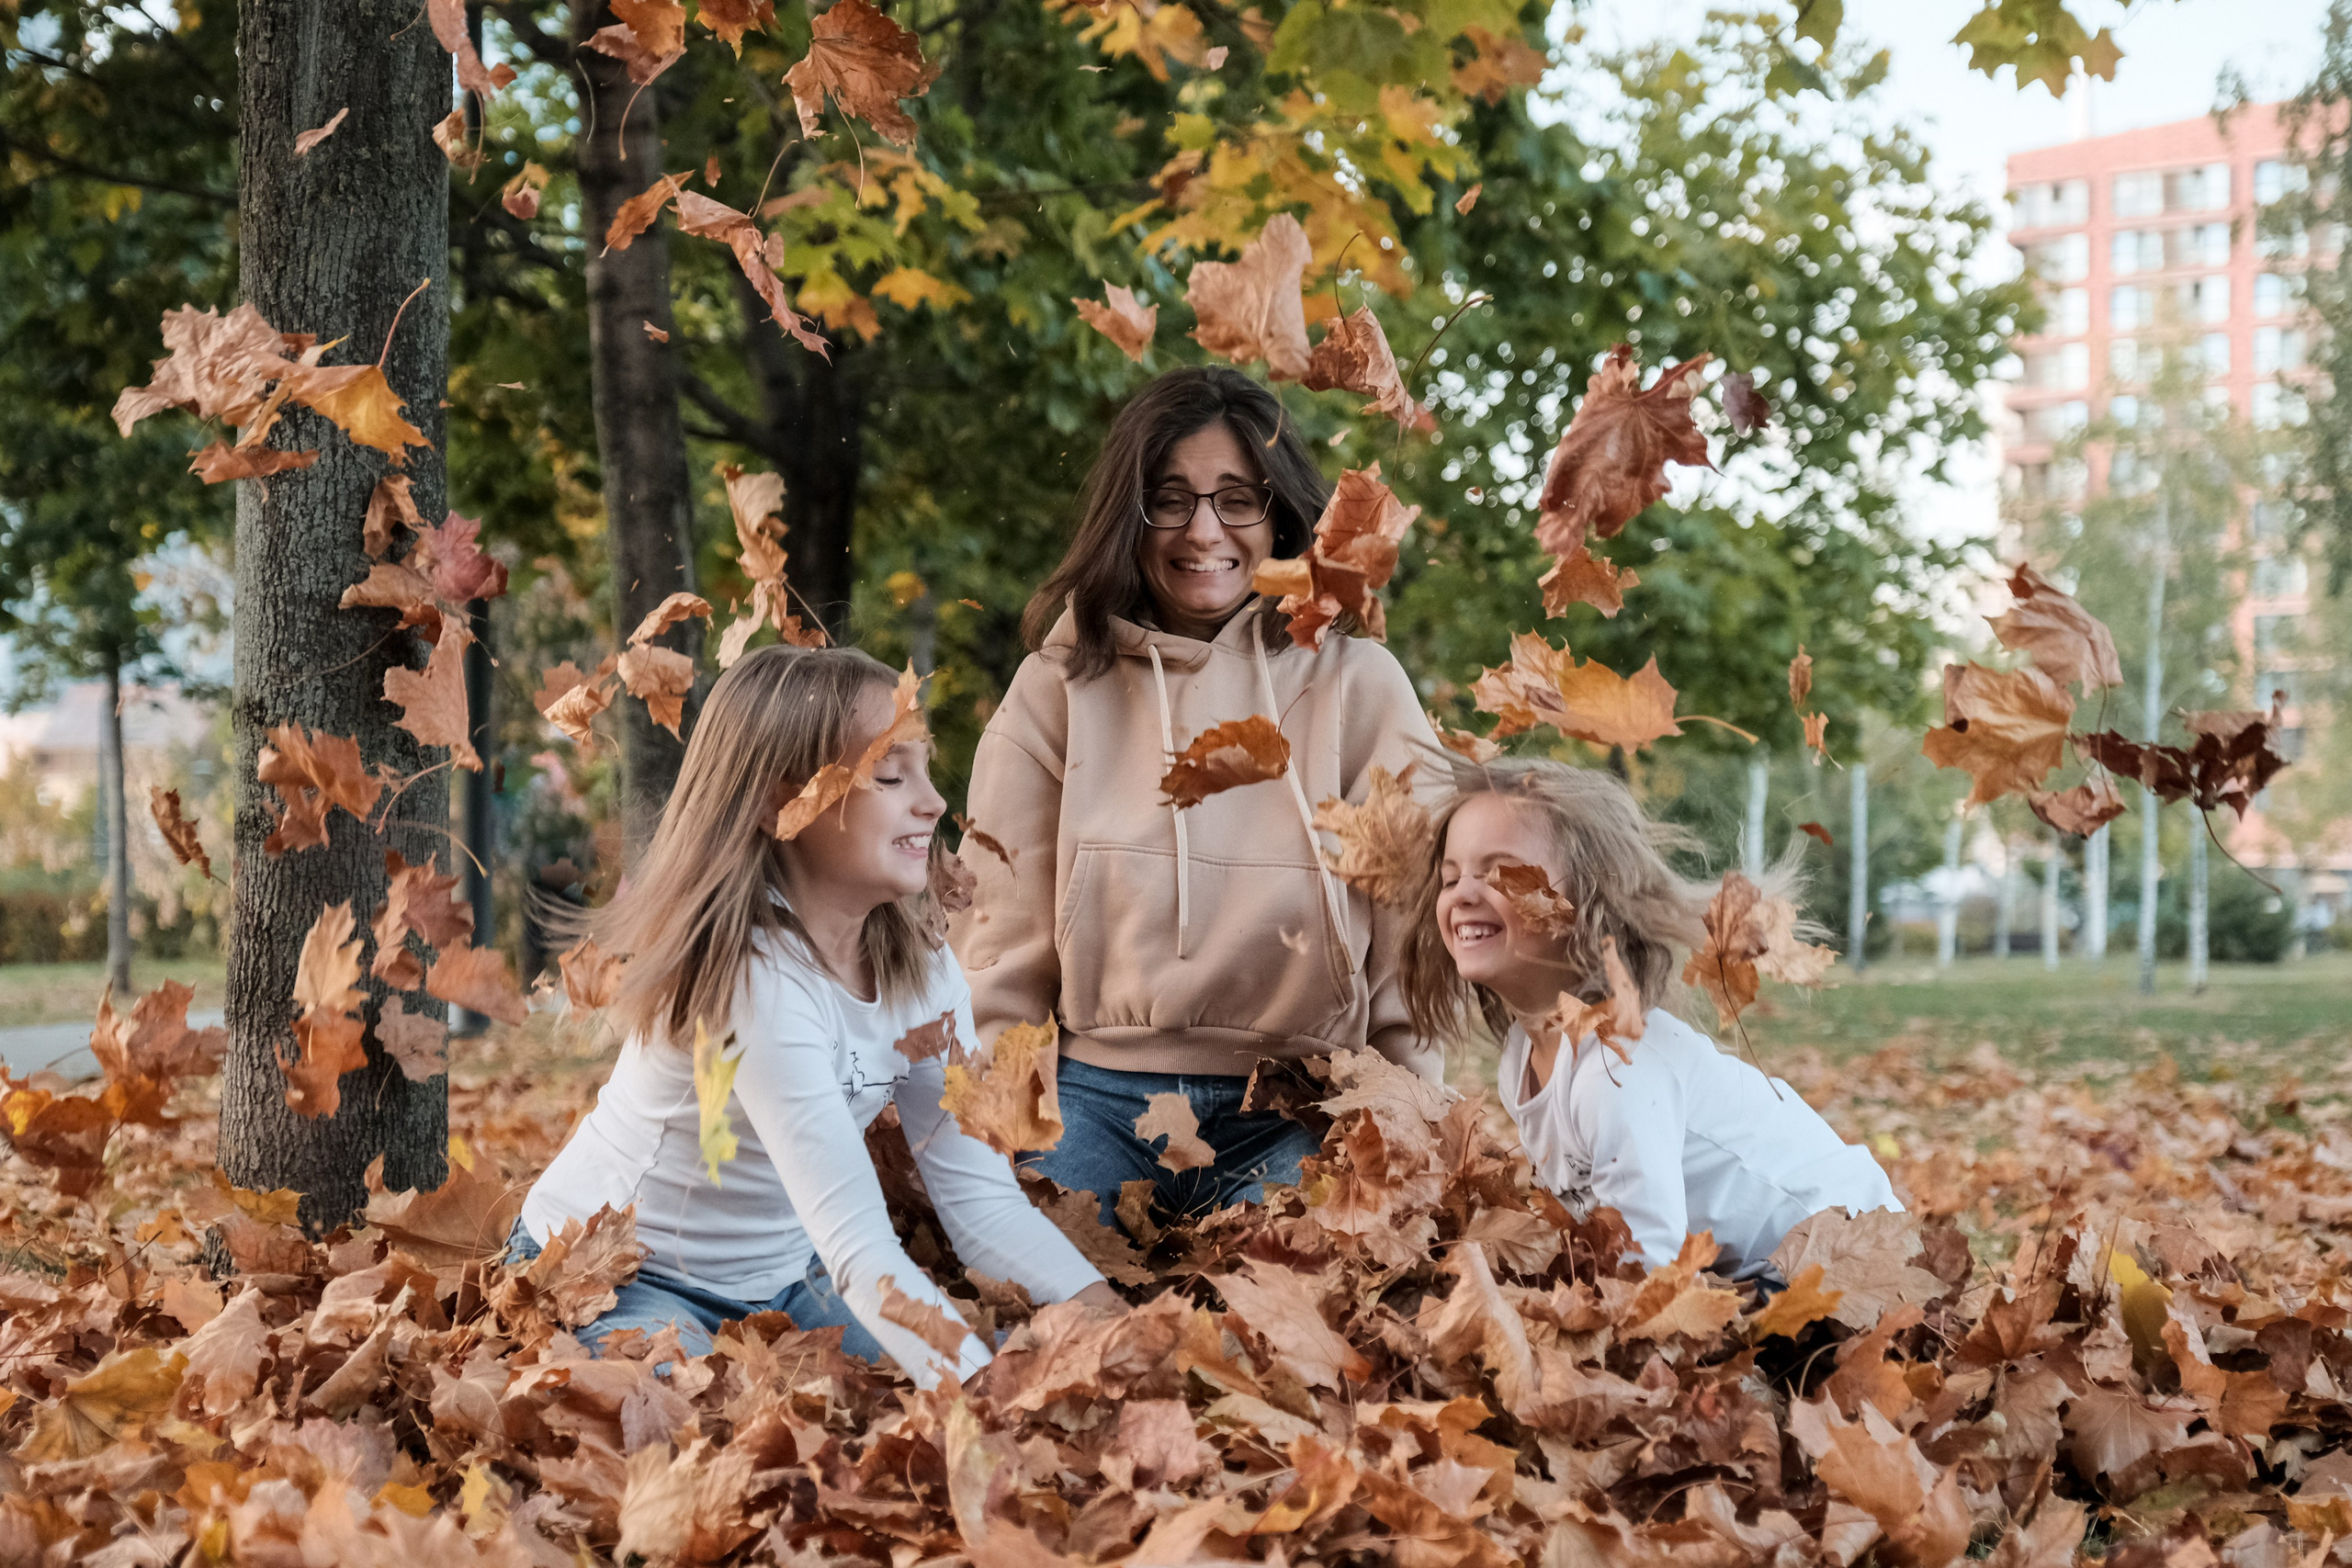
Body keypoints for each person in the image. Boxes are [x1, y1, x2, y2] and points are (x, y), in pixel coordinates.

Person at [514, 644, 1120, 1384]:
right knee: (702, 1420)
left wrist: (1116, 1326)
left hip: (777, 1281)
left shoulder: (923, 968)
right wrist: (986, 1400)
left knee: (893, 1385)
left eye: (926, 770)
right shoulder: (752, 978)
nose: (931, 802)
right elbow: (861, 1247)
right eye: (890, 775)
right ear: (780, 803)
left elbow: (982, 1200)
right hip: (618, 1277)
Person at [954, 366, 1441, 1228]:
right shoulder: (1057, 687)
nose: (1203, 529)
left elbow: (1408, 943)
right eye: (1169, 498)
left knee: (1295, 1335)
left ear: (1280, 511)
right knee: (1053, 1328)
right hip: (1094, 1104)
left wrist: (1410, 1124)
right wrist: (1005, 1137)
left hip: (1301, 1107)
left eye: (1235, 498)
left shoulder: (1362, 685)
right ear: (1128, 515)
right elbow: (998, 943)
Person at [1397, 759, 1901, 1279]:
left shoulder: (1618, 1071)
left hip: (1847, 1252)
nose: (1462, 894)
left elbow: (1644, 1267)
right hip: (1748, 1273)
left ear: (1586, 902)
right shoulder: (1522, 1061)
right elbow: (1596, 1229)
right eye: (1451, 877)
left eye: (1501, 873)